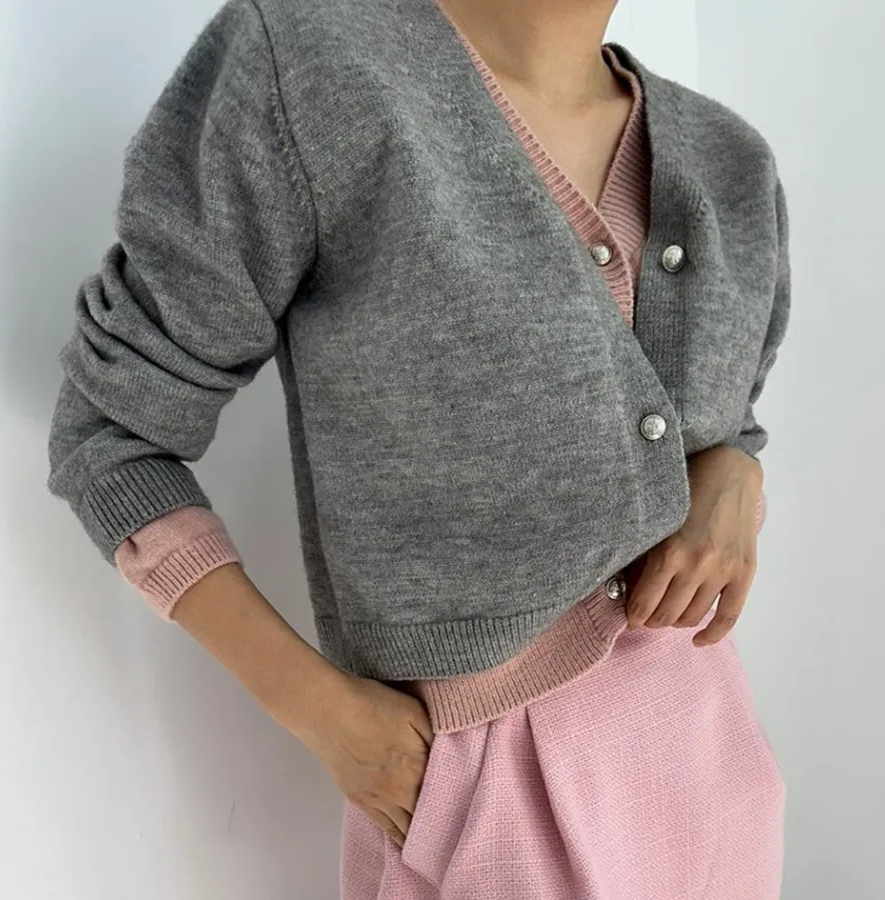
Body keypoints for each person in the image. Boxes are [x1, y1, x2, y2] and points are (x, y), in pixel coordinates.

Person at [47, 0, 791, 896]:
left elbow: (717, 418)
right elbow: (110, 434)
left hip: (710, 759)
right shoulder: (316, 67)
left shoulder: (728, 158)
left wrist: (737, 466)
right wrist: (324, 715)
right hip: (482, 788)